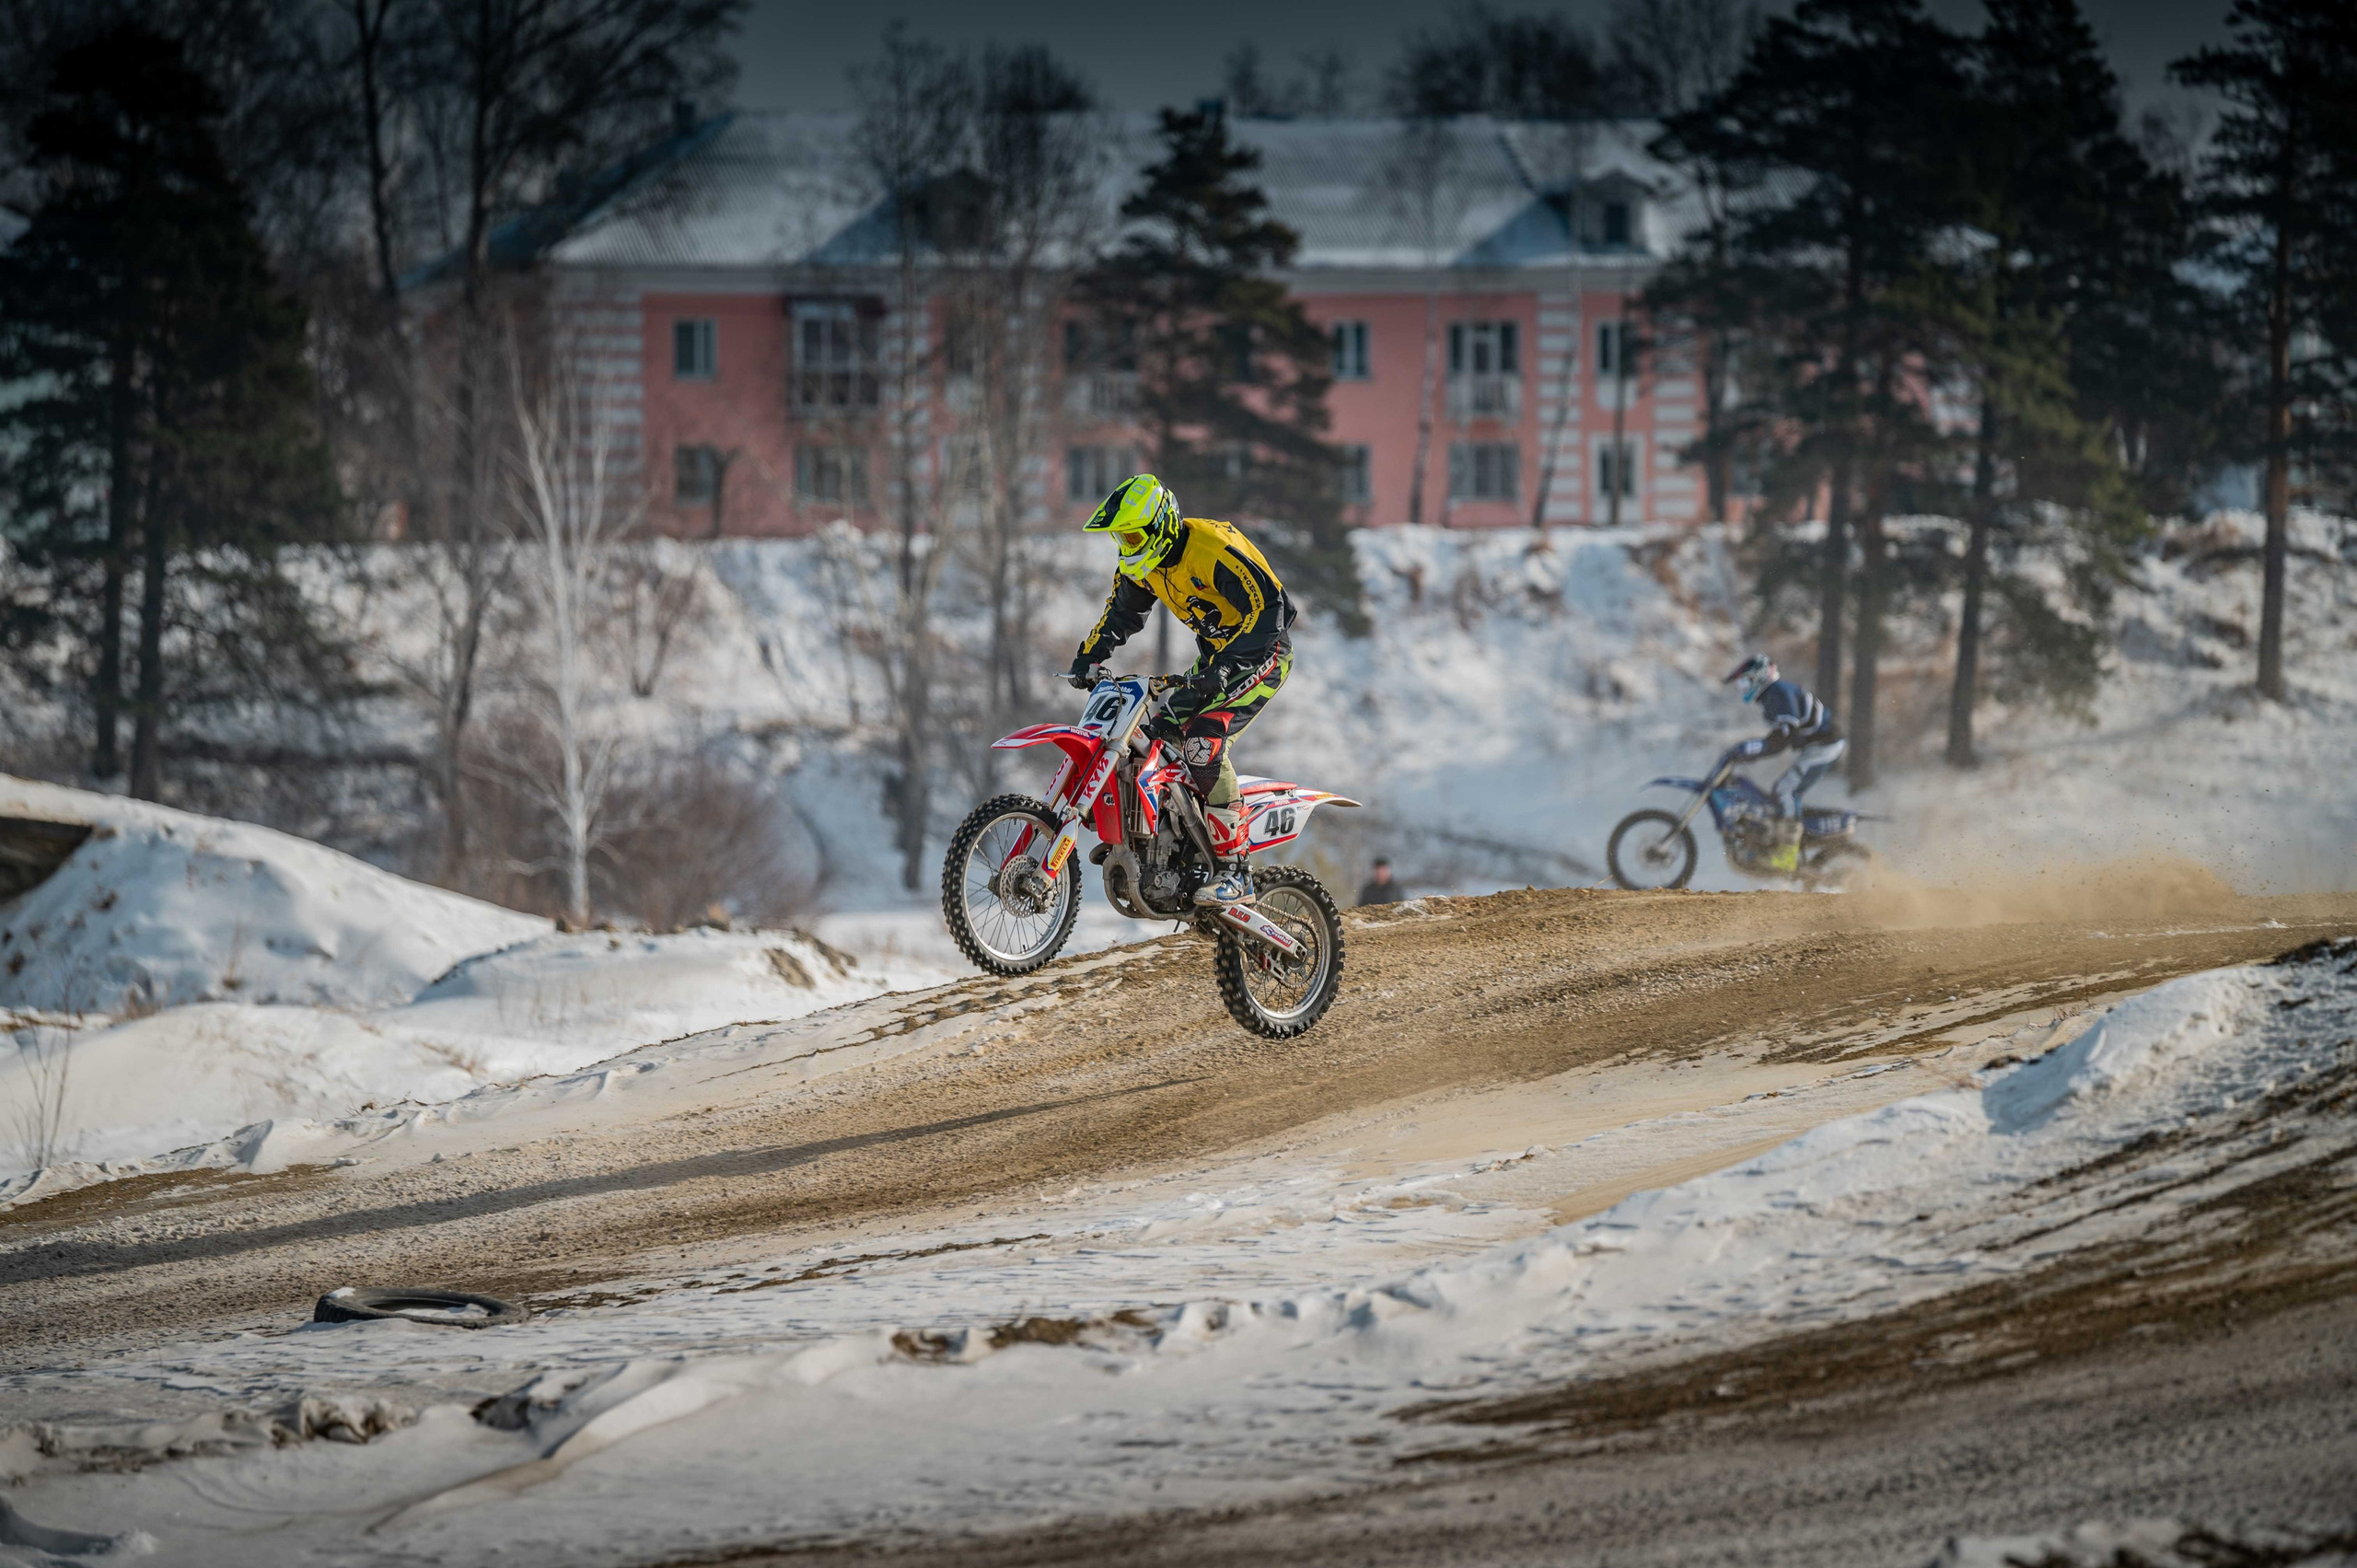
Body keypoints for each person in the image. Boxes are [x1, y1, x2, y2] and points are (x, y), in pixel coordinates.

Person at [1068, 473, 1295, 907]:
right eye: (1121, 537)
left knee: (1202, 743)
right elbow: (1121, 614)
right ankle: (1159, 851)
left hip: (1263, 653)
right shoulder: (1145, 565)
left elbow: (1273, 609)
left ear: (1161, 525)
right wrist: (1089, 656)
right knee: (1150, 742)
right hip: (1216, 661)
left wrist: (1229, 665)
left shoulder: (1209, 549)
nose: (1128, 545)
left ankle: (1235, 870)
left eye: (1133, 534)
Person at [1722, 654, 1845, 872]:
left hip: (1825, 744)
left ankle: (1786, 855)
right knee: (1781, 790)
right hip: (1817, 745)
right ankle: (1777, 844)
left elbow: (1783, 738)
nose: (1741, 688)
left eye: (1744, 682)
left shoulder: (1779, 692)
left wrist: (1752, 749)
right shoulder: (1772, 696)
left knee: (1785, 789)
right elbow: (1780, 738)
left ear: (1758, 677)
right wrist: (1753, 750)